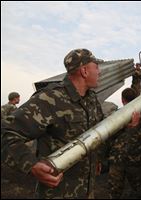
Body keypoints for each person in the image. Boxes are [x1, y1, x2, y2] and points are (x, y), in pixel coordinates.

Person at [1, 48, 105, 198]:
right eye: (96, 67)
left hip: (87, 191)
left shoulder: (92, 100)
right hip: (58, 193)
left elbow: (98, 130)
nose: (99, 72)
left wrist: (98, 158)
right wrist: (31, 165)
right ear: (84, 71)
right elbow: (6, 132)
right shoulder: (50, 99)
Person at [106, 64, 141, 199]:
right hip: (136, 160)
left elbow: (107, 138)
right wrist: (137, 76)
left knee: (114, 192)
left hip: (117, 160)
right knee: (140, 191)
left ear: (122, 100)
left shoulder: (116, 117)